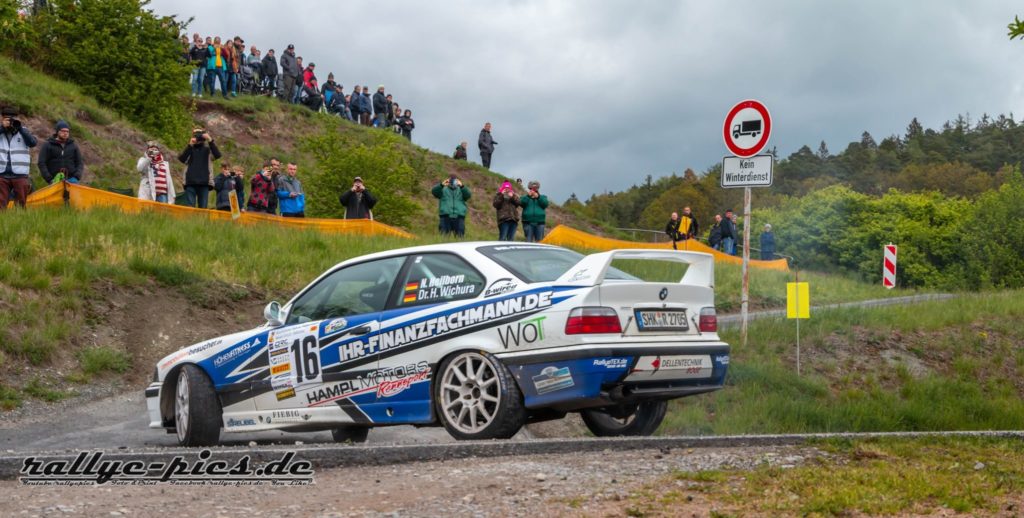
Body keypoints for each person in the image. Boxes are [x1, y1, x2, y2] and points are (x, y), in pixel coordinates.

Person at [0, 106, 38, 209]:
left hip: (20, 174)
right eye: (8, 119)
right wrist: (2, 128)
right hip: (2, 173)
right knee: (1, 203)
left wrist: (20, 128)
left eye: (13, 119)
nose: (10, 121)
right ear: (2, 118)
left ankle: (18, 221)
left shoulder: (23, 131)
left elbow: (33, 143)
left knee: (21, 203)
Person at [178, 128, 221, 209]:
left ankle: (200, 221)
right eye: (196, 135)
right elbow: (182, 159)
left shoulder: (208, 150)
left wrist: (210, 140)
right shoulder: (190, 149)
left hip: (204, 183)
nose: (198, 137)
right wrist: (190, 145)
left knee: (203, 209)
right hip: (190, 182)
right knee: (190, 208)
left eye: (199, 135)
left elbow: (217, 155)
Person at [37, 120, 83, 184]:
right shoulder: (48, 145)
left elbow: (80, 162)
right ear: (57, 131)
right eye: (63, 131)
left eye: (67, 131)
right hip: (55, 180)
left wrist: (77, 176)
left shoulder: (73, 146)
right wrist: (49, 179)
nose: (65, 133)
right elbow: (41, 163)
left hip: (72, 180)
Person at [188, 33, 208, 98]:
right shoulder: (194, 48)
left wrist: (206, 48)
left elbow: (209, 55)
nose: (200, 42)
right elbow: (190, 52)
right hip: (195, 65)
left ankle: (199, 93)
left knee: (201, 80)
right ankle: (193, 92)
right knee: (194, 79)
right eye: (199, 41)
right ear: (196, 41)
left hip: (203, 66)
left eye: (201, 41)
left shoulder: (204, 49)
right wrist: (195, 46)